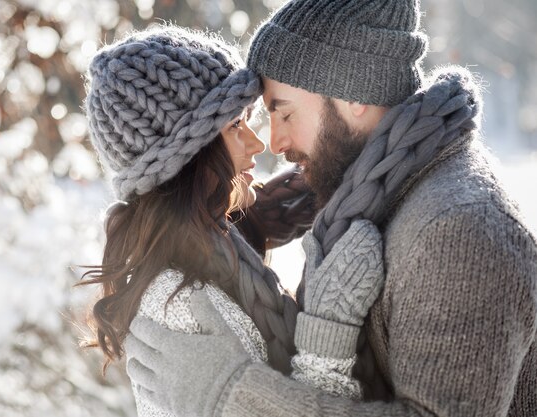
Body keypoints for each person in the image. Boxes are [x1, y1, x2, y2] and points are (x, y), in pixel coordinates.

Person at [126, 1, 537, 416]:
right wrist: (241, 229)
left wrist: (234, 397)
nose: (275, 143)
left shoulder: (460, 228)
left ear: (353, 92)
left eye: (282, 112)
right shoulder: (372, 200)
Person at [82, 26, 387, 417]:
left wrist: (325, 178)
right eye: (235, 127)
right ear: (189, 156)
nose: (258, 145)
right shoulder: (182, 302)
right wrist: (330, 323)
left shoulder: (213, 252)